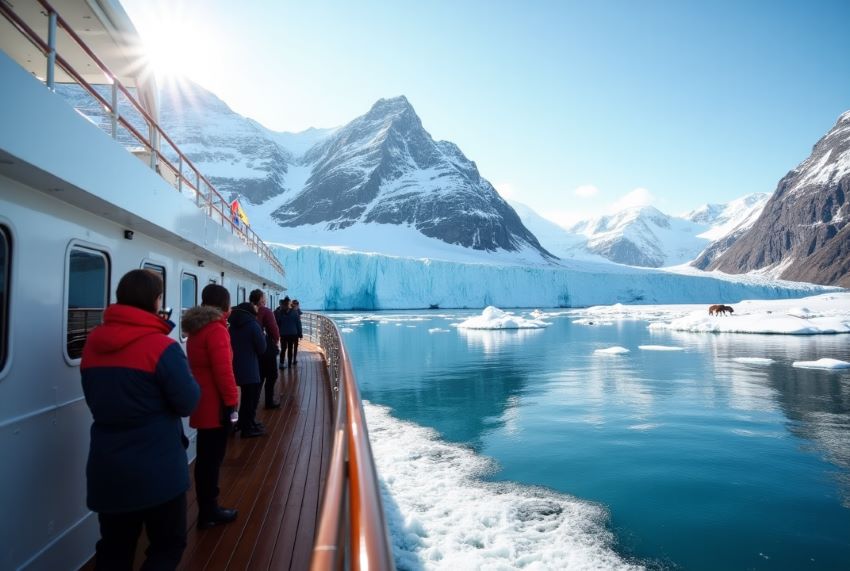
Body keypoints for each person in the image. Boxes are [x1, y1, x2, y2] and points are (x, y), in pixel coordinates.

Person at [81, 269, 200, 570]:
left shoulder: (93, 344)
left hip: (108, 466)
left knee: (114, 549)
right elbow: (187, 402)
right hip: (157, 466)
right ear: (154, 301)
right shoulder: (161, 348)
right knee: (166, 545)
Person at [182, 284, 239, 530]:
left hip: (201, 401)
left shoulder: (196, 329)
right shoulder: (216, 330)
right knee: (211, 460)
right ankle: (209, 511)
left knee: (206, 458)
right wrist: (231, 403)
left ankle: (207, 507)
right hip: (215, 404)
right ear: (225, 305)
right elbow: (223, 371)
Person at [228, 298, 266, 437]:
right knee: (250, 400)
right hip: (250, 369)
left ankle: (238, 423)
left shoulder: (231, 325)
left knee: (237, 401)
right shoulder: (253, 325)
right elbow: (262, 348)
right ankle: (247, 428)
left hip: (234, 367)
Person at [249, 289, 280, 409]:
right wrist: (275, 341)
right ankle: (269, 401)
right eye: (264, 298)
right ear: (261, 300)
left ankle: (253, 407)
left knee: (258, 378)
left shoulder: (247, 311)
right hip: (265, 350)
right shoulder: (265, 311)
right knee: (271, 376)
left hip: (251, 351)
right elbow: (274, 330)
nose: (265, 300)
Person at [276, 296, 302, 369]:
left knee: (283, 348)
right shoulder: (295, 313)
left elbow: (278, 323)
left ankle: (281, 363)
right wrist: (300, 333)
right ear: (289, 304)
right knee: (290, 348)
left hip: (283, 334)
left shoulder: (280, 313)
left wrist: (278, 332)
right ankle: (290, 363)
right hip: (293, 334)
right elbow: (298, 324)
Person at [290, 299, 303, 365]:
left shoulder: (288, 311)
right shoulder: (297, 311)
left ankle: (292, 359)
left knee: (291, 346)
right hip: (295, 332)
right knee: (294, 346)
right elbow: (299, 323)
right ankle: (294, 359)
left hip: (291, 331)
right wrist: (300, 334)